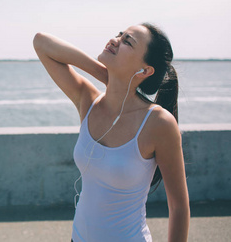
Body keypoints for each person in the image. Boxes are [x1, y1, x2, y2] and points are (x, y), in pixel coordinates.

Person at [33, 23, 190, 242]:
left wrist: (118, 79)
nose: (116, 40)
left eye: (128, 41)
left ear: (145, 71)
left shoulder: (158, 123)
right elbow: (41, 42)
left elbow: (179, 207)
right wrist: (102, 72)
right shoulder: (88, 101)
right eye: (119, 34)